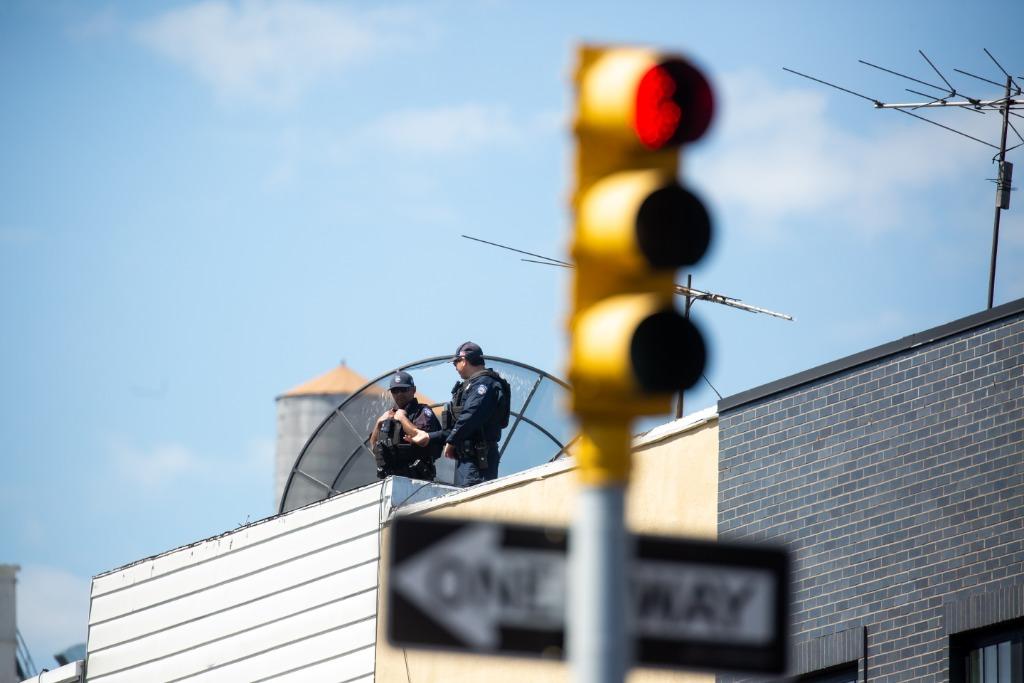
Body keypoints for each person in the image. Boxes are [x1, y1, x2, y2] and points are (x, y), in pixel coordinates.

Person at [438, 341, 510, 487]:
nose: (455, 368)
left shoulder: (485, 384)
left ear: (463, 361)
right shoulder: (473, 384)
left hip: (477, 461)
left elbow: (472, 414)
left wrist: (452, 440)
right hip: (466, 460)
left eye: (455, 363)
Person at [369, 371, 442, 480]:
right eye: (395, 390)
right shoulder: (389, 415)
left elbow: (421, 438)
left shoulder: (422, 411)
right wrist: (379, 423)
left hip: (417, 479)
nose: (399, 394)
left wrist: (403, 419)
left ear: (413, 390)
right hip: (391, 478)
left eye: (403, 390)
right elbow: (374, 446)